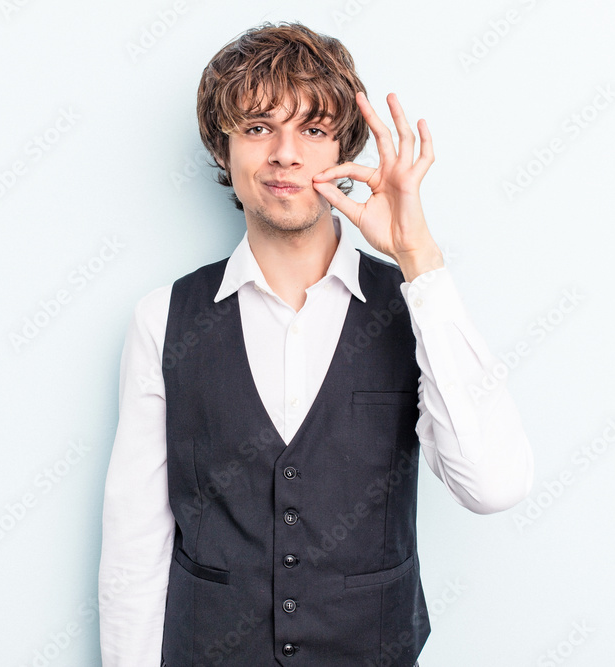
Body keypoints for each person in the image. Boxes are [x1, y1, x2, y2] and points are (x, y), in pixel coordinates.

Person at [98, 21, 534, 667]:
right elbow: (134, 548)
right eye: (256, 127)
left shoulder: (412, 308)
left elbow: (493, 485)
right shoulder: (163, 317)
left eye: (313, 129)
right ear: (224, 151)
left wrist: (420, 260)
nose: (285, 154)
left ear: (344, 153)